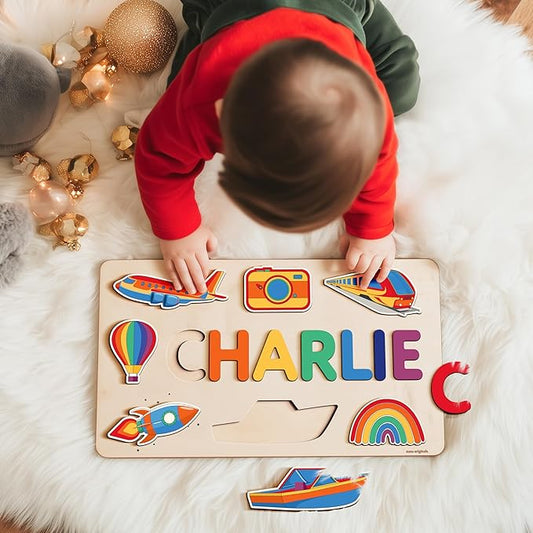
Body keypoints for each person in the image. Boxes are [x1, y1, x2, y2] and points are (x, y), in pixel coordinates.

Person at [135, 0, 420, 294]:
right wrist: (179, 231)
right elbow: (158, 160)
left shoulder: (368, 110)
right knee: (173, 92)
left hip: (337, 9)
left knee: (403, 84)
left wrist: (372, 229)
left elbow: (379, 163)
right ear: (220, 111)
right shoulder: (198, 101)